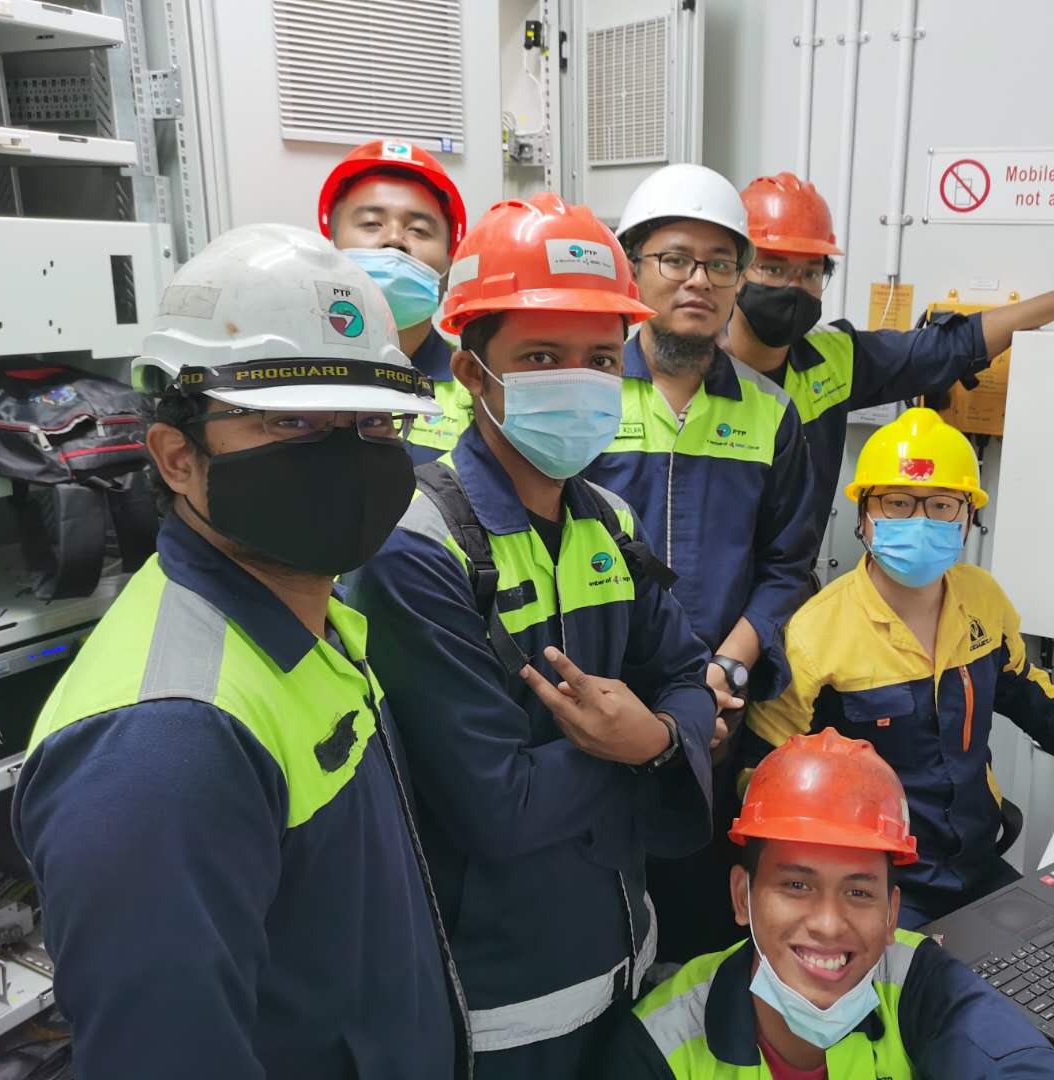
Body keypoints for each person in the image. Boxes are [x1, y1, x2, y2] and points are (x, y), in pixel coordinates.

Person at [11, 224, 467, 1079]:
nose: (346, 457)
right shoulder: (164, 744)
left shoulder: (316, 623)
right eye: (291, 421)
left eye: (374, 422)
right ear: (177, 456)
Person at [347, 192, 720, 1080]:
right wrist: (650, 752)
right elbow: (496, 807)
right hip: (504, 1002)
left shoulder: (610, 521)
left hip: (625, 955)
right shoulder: (416, 547)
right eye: (542, 357)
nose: (578, 381)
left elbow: (687, 672)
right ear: (472, 372)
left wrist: (657, 738)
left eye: (601, 359)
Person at [745, 409, 1054, 927]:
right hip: (876, 883)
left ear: (968, 517)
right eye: (897, 502)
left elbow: (1023, 687)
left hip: (976, 864)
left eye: (943, 505)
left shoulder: (981, 598)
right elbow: (762, 777)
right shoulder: (814, 635)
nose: (920, 521)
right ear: (863, 514)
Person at [581, 162, 820, 962]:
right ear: (634, 267)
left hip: (719, 712)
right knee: (595, 898)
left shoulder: (770, 412)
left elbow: (787, 565)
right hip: (599, 698)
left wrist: (728, 667)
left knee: (695, 907)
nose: (700, 280)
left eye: (722, 264)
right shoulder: (587, 395)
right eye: (676, 259)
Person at [601, 729, 1054, 1078]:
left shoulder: (914, 980)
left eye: (858, 892)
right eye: (797, 886)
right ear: (742, 897)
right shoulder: (660, 1045)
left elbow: (1015, 1060)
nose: (829, 924)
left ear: (891, 914)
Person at [729, 171, 1054, 546]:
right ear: (733, 269)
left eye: (810, 273)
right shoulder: (700, 370)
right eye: (773, 268)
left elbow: (953, 345)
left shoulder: (834, 358)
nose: (795, 287)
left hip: (789, 590)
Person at [320, 138, 473, 464]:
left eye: (419, 230)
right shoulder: (287, 377)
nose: (394, 239)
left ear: (449, 262)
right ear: (331, 247)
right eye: (371, 224)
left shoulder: (476, 387)